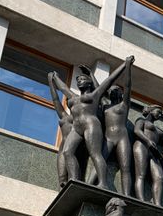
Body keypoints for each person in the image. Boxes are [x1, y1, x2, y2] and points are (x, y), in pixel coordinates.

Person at [49, 57, 133, 191]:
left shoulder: (94, 95)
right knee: (67, 152)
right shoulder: (73, 97)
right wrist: (54, 78)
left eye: (83, 79)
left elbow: (109, 80)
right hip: (76, 128)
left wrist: (125, 64)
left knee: (95, 154)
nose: (79, 81)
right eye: (78, 80)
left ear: (89, 83)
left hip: (90, 125)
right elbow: (63, 88)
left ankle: (103, 183)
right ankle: (74, 179)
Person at [101, 57, 134, 196]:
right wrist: (91, 74)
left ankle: (126, 194)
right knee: (99, 158)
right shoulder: (105, 105)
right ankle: (92, 183)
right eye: (112, 89)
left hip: (122, 137)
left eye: (117, 90)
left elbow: (128, 86)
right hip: (108, 137)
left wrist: (127, 67)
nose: (114, 91)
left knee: (125, 167)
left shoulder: (124, 105)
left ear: (121, 94)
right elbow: (100, 88)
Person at [132, 105, 163, 205]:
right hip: (142, 146)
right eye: (158, 112)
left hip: (153, 153)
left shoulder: (159, 130)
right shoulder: (141, 120)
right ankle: (141, 199)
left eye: (161, 114)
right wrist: (148, 141)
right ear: (151, 111)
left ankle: (158, 203)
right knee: (141, 174)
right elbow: (136, 130)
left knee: (159, 177)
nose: (159, 115)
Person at [49, 72, 78, 187]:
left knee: (73, 178)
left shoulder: (80, 118)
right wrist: (51, 84)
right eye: (67, 102)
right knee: (62, 180)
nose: (69, 103)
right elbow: (55, 100)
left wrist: (56, 80)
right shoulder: (64, 116)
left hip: (75, 148)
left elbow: (65, 89)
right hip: (63, 147)